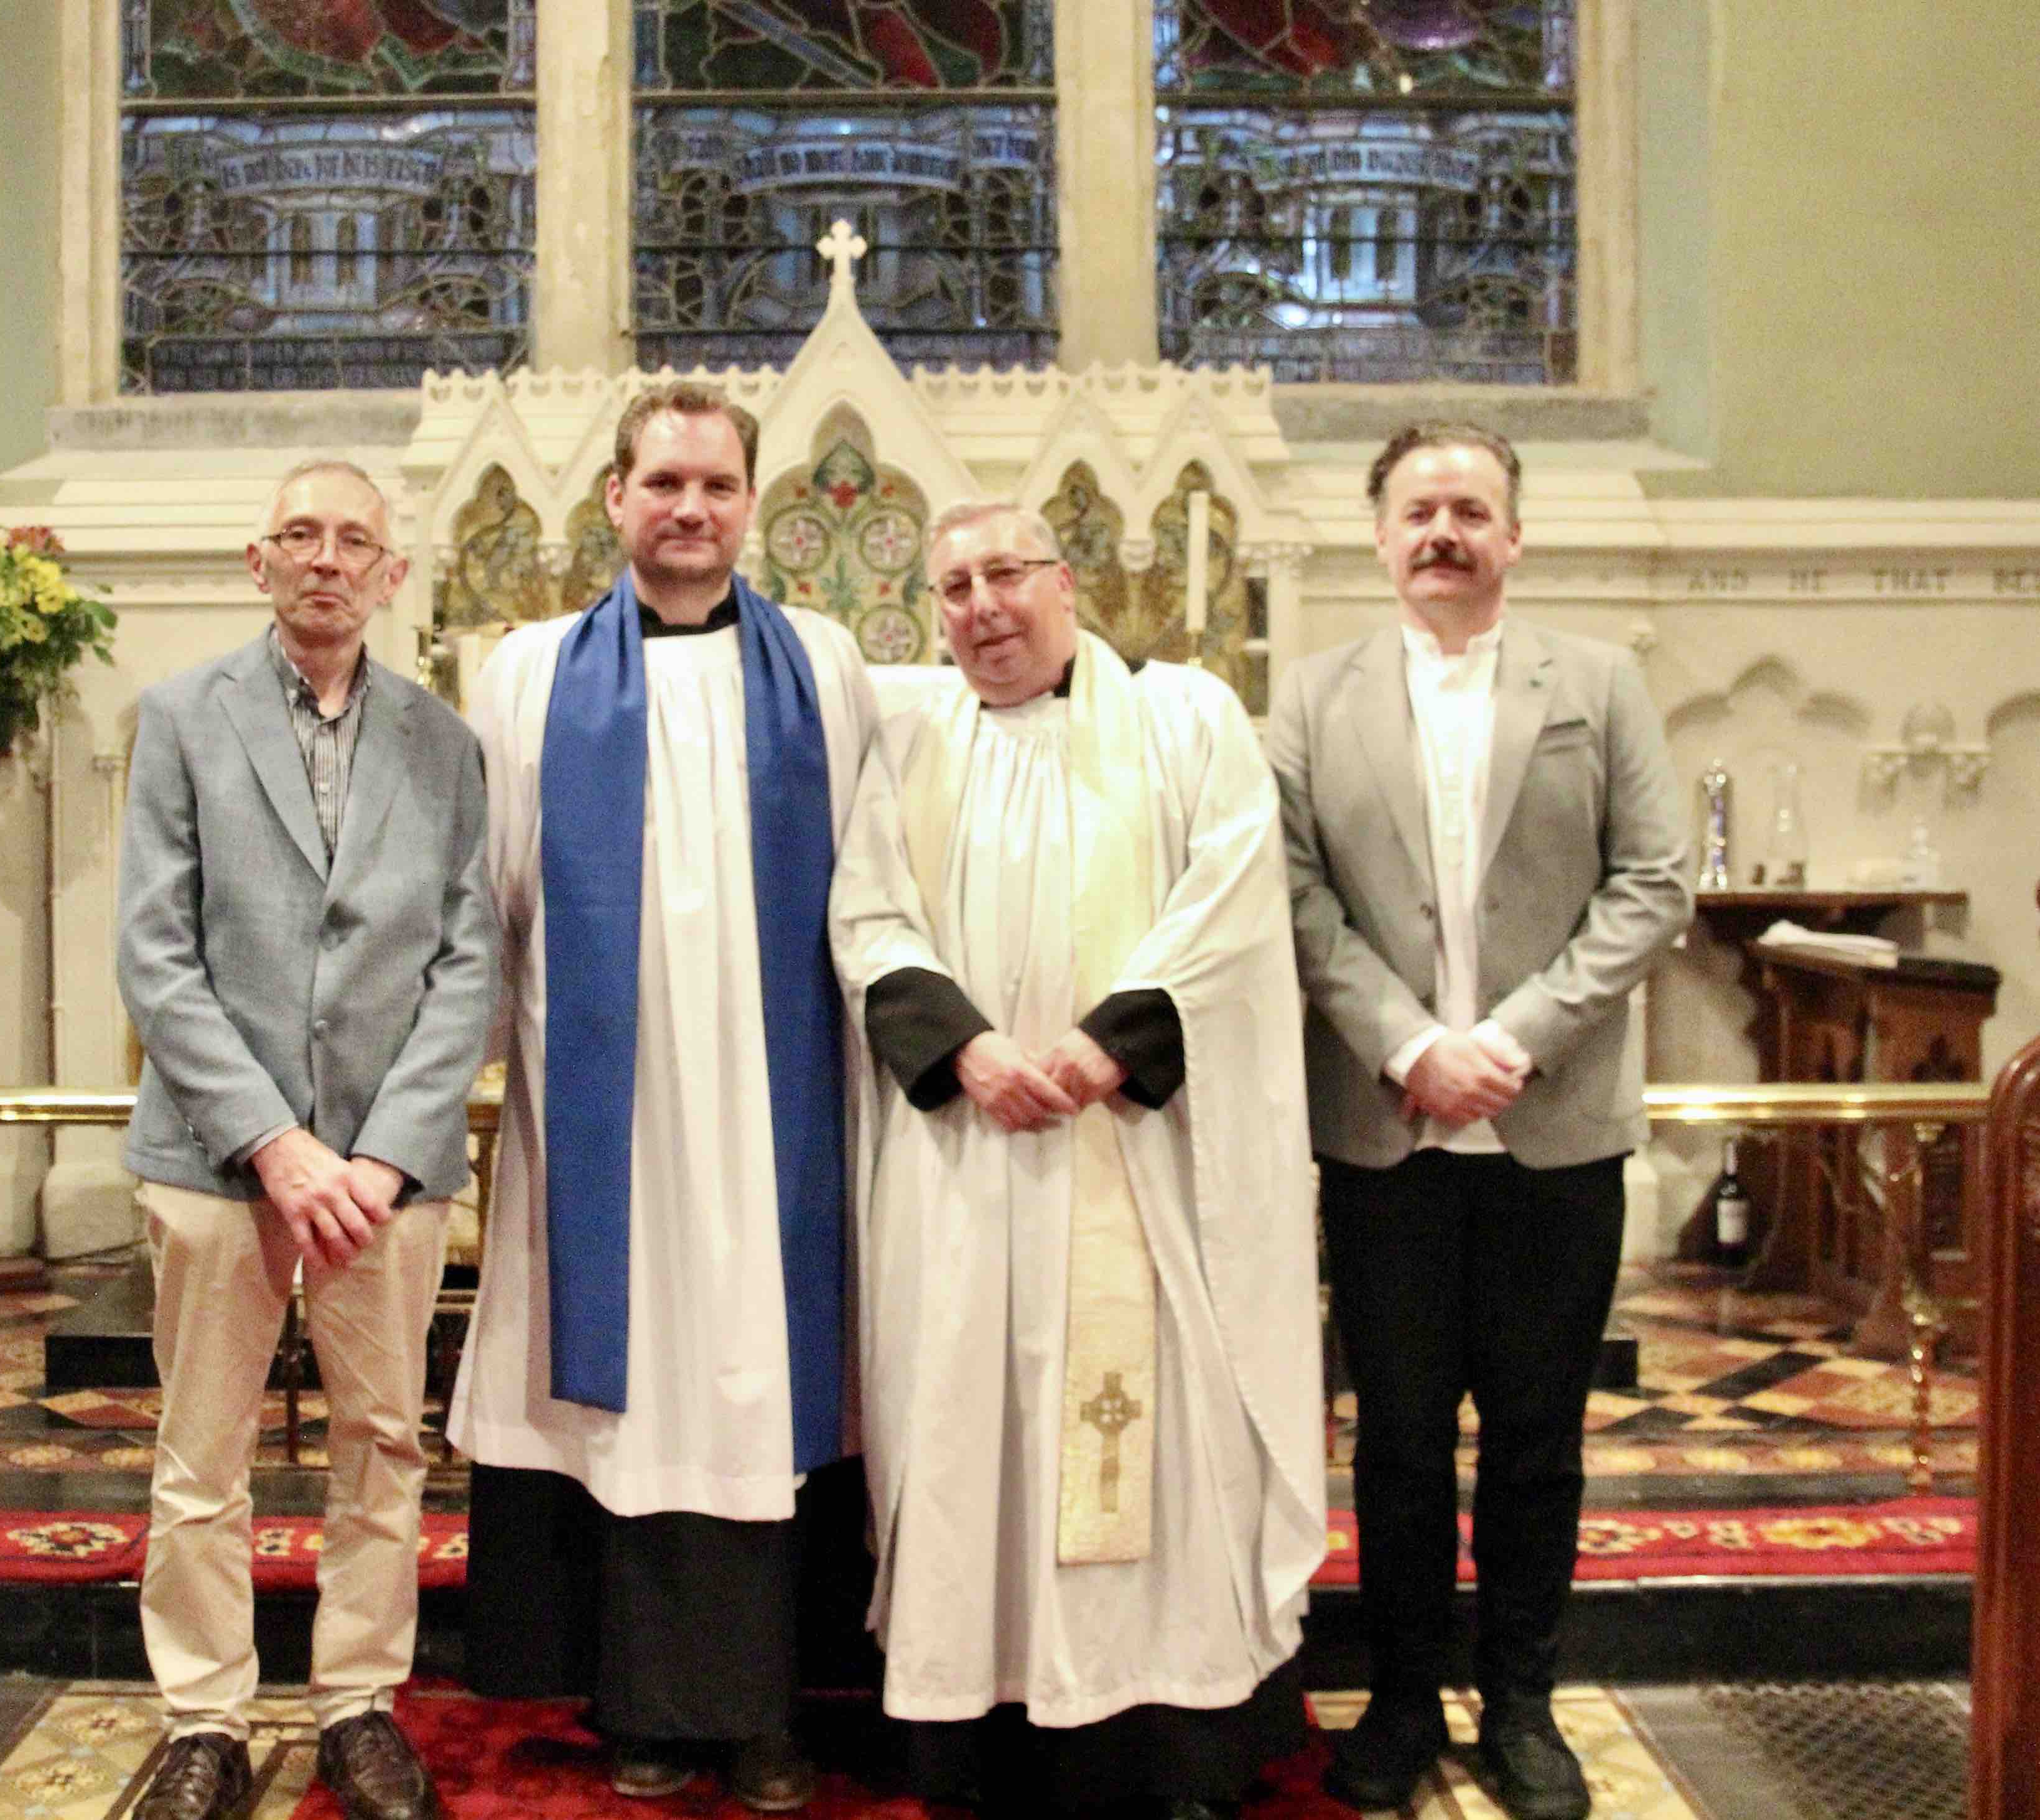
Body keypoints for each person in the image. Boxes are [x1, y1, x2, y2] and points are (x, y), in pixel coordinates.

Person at [829, 501, 1328, 1820]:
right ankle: (978, 1732)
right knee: (967, 1429)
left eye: (1005, 574)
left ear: (1067, 581)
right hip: (968, 1164)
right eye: (952, 586)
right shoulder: (913, 737)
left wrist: (1115, 1043)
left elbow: (1231, 893)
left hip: (1131, 1150)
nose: (982, 605)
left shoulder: (1184, 718)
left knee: (1147, 1435)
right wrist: (968, 1050)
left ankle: (1158, 1738)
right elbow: (867, 915)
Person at [444, 381, 878, 1813]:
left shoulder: (821, 663)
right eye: (662, 483)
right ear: (615, 499)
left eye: (716, 485)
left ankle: (763, 1711)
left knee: (760, 1389)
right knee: (630, 1403)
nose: (689, 508)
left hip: (776, 1115)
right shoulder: (526, 673)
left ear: (752, 503)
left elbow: (877, 890)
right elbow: (488, 897)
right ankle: (639, 1702)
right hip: (604, 1117)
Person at [1265, 423, 1692, 1819]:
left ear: (1514, 534)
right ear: (1377, 535)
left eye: (1470, 509)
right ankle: (1396, 1698)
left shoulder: (1601, 683)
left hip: (1549, 1127)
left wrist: (1509, 1039)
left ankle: (1520, 1700)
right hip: (1387, 1135)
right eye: (1416, 510)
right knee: (1391, 1434)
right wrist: (1405, 1043)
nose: (1442, 531)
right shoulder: (1313, 698)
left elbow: (1652, 880)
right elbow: (1291, 892)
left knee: (1534, 1434)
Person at [116, 460, 500, 1820]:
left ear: (392, 575)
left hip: (384, 1171)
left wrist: (386, 1153)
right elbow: (157, 957)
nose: (326, 559)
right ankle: (206, 1718)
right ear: (257, 561)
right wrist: (277, 1141)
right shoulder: (179, 719)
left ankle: (356, 1701)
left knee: (384, 1440)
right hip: (221, 1157)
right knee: (200, 1449)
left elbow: (469, 965)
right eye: (300, 535)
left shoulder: (444, 744)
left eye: (355, 541)